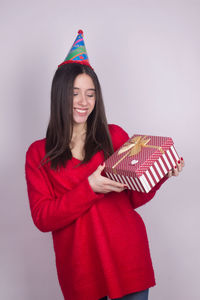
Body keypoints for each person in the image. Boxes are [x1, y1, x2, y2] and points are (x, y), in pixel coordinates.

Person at [25, 30, 184, 300]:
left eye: (90, 94)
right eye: (75, 93)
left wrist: (160, 174)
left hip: (128, 261)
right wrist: (90, 187)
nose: (83, 102)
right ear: (59, 95)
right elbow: (43, 218)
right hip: (81, 271)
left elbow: (133, 198)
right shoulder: (38, 153)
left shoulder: (115, 136)